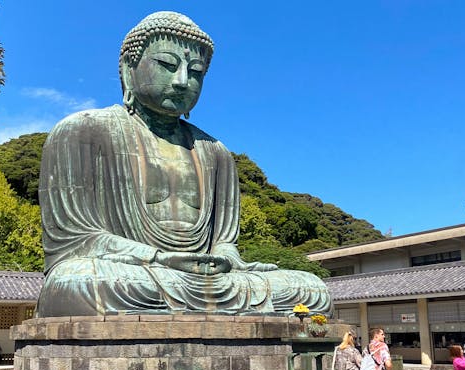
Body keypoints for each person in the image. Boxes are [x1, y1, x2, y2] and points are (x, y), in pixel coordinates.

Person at [35, 11, 333, 317]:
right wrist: (158, 258)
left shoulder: (216, 153)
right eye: (167, 65)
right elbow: (76, 241)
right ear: (128, 69)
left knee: (310, 289)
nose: (181, 81)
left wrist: (226, 258)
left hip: (204, 281)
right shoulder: (82, 132)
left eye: (195, 72)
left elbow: (224, 242)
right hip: (131, 273)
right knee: (77, 281)